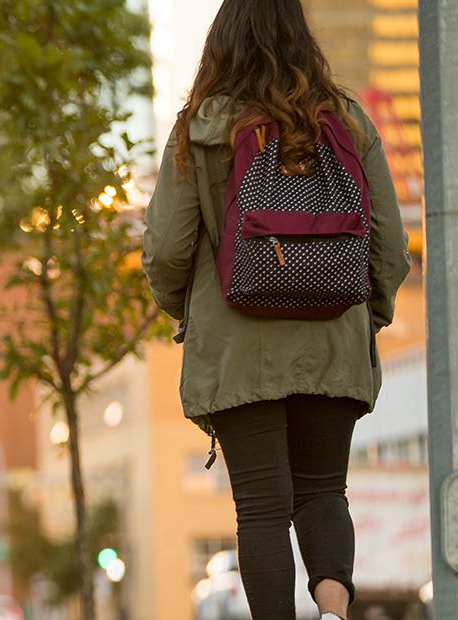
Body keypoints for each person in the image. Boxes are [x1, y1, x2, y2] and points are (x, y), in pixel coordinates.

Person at [141, 1, 413, 620]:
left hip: (238, 352)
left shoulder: (202, 127)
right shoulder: (348, 122)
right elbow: (389, 248)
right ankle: (334, 613)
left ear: (222, 45)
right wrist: (361, 321)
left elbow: (167, 250)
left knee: (261, 508)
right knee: (323, 492)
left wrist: (187, 313)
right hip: (334, 343)